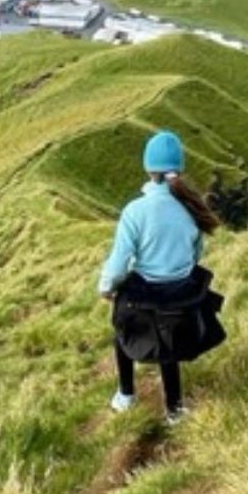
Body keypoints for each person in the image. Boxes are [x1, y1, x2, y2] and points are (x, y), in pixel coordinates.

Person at [99, 130, 224, 425]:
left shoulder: (135, 211)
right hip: (183, 299)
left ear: (148, 168)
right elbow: (196, 254)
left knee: (121, 327)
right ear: (179, 168)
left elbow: (118, 264)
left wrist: (106, 288)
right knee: (170, 347)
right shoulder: (191, 208)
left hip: (145, 299)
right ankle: (175, 410)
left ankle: (126, 395)